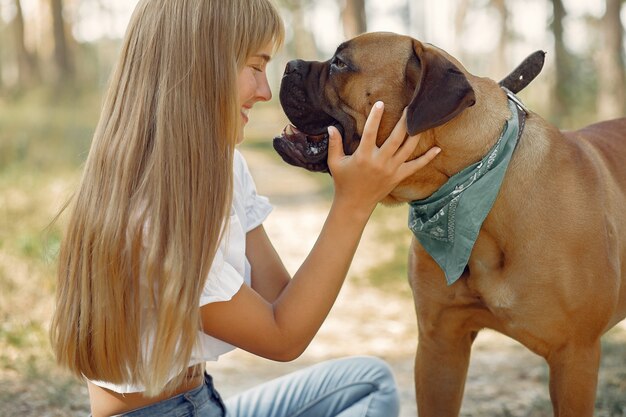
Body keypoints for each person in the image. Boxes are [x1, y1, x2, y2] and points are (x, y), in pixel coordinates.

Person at [49, 1, 441, 416]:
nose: (265, 91)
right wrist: (354, 204)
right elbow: (282, 337)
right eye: (256, 67)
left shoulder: (221, 168)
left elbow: (283, 300)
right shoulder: (153, 215)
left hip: (200, 400)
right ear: (201, 68)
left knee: (367, 382)